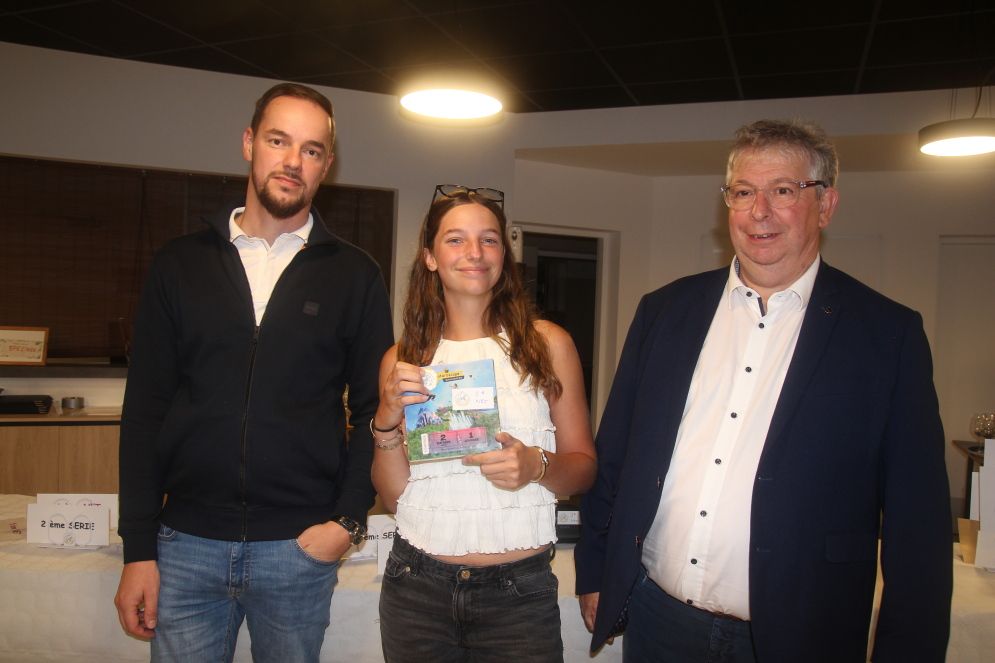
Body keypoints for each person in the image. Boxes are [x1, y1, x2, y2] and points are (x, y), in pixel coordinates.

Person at [575, 119, 952, 662]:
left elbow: (919, 524)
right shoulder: (665, 311)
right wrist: (595, 570)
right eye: (744, 192)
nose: (759, 211)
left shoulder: (887, 335)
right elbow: (615, 455)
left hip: (803, 633)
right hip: (659, 622)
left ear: (826, 205)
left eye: (783, 191)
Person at [113, 82, 393, 662]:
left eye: (312, 150)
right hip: (185, 545)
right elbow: (144, 411)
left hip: (297, 550)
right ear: (248, 143)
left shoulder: (355, 274)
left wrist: (348, 520)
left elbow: (375, 410)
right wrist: (138, 547)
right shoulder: (179, 264)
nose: (293, 161)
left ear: (327, 166)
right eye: (278, 140)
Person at [371, 184, 597, 662]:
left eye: (489, 239)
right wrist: (386, 423)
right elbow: (395, 498)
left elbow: (583, 469)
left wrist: (536, 465)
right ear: (430, 257)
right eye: (455, 239)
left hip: (518, 596)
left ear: (503, 256)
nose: (474, 252)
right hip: (416, 589)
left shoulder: (548, 344)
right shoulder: (402, 359)